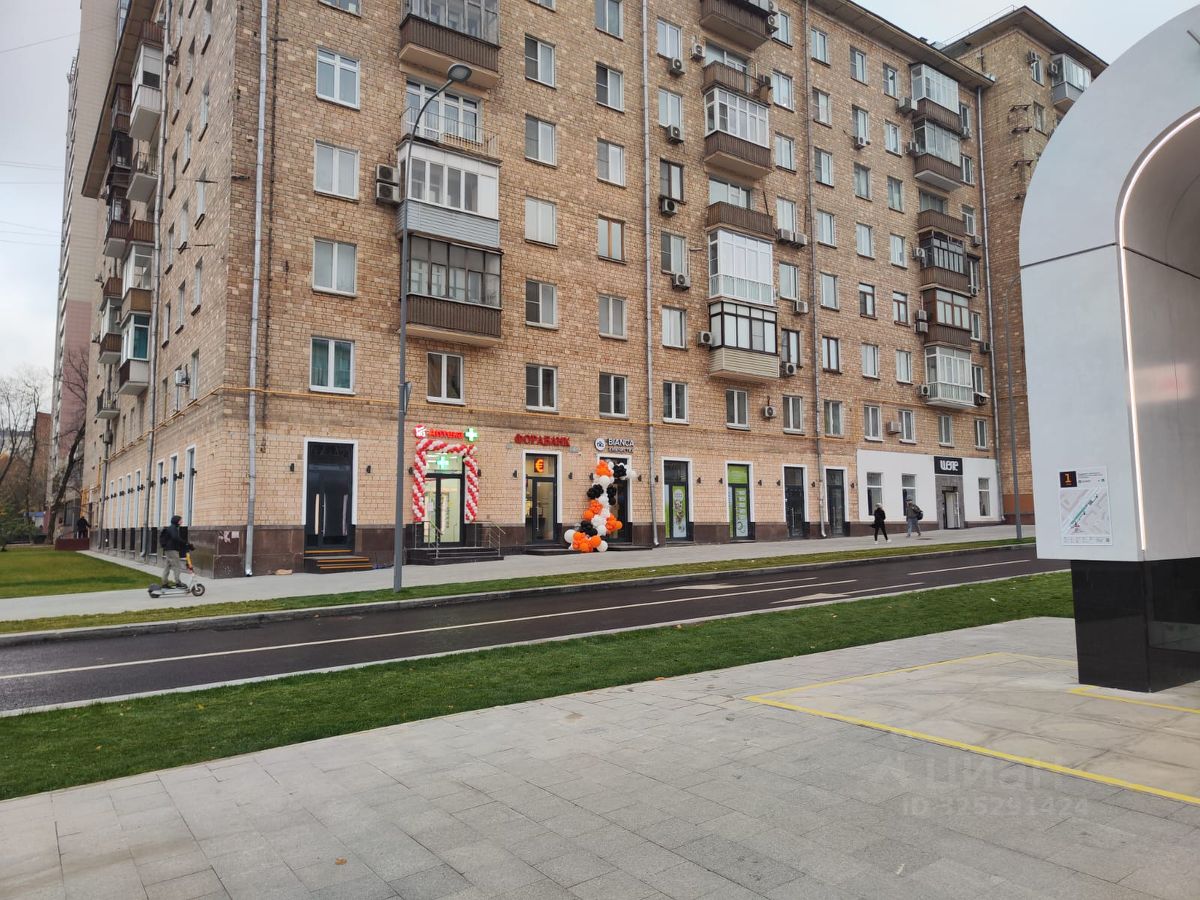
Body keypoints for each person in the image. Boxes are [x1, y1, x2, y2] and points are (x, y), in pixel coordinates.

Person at [159, 515, 194, 588]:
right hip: (172, 550)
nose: (182, 522)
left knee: (167, 566)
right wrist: (186, 543)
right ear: (177, 521)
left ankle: (164, 583)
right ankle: (178, 582)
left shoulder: (171, 528)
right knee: (177, 566)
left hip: (168, 550)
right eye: (180, 520)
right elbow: (175, 538)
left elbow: (174, 539)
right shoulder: (173, 528)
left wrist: (185, 545)